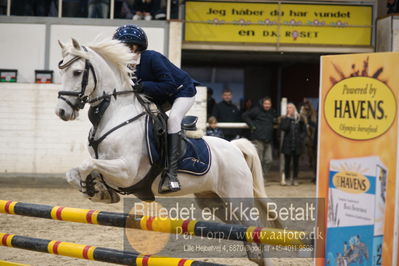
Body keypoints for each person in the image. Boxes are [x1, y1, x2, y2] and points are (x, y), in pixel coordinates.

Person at [113, 24, 198, 194]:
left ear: (134, 47)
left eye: (123, 46)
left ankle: (172, 175)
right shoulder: (126, 66)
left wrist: (142, 85)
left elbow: (169, 84)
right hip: (162, 96)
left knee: (173, 120)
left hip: (182, 91)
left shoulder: (151, 57)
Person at [242, 97, 277, 181]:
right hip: (258, 139)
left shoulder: (272, 112)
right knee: (259, 160)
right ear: (262, 104)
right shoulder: (256, 110)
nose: (267, 105)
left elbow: (275, 120)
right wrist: (252, 126)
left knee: (269, 160)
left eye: (269, 104)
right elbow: (244, 115)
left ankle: (262, 176)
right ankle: (257, 178)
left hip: (268, 140)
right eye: (265, 104)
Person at [280, 103, 307, 186]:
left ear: (294, 108)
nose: (289, 109)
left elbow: (304, 130)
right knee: (287, 163)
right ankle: (287, 178)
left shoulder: (300, 118)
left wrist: (301, 138)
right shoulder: (284, 118)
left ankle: (295, 178)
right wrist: (288, 118)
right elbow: (284, 128)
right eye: (288, 108)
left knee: (296, 163)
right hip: (288, 144)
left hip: (297, 144)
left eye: (291, 108)